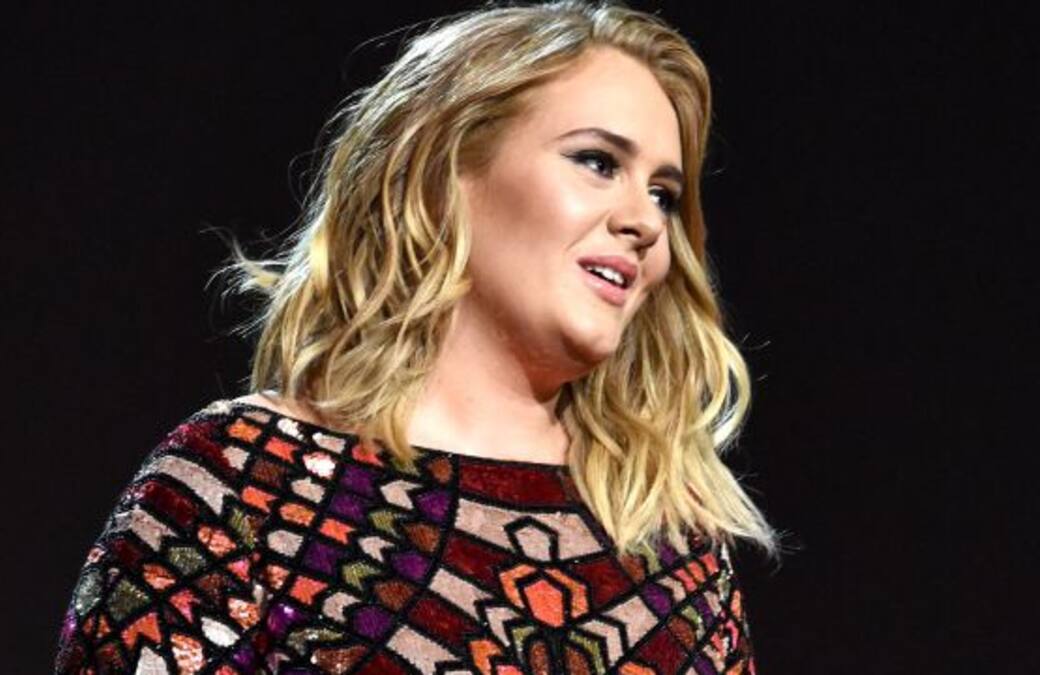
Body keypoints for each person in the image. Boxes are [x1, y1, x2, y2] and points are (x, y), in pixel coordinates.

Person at [54, 2, 778, 673]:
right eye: (597, 162)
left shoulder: (676, 547)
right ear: (449, 171)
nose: (645, 222)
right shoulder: (238, 487)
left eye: (663, 195)